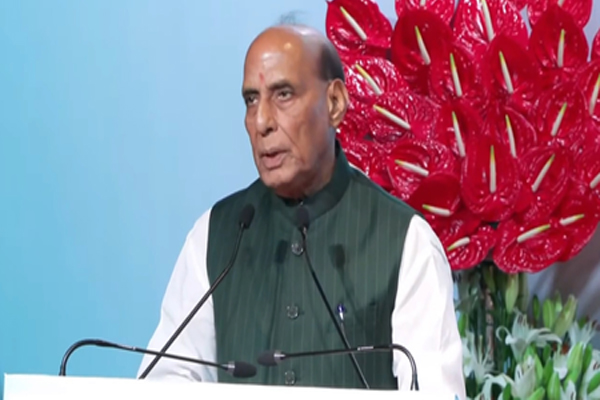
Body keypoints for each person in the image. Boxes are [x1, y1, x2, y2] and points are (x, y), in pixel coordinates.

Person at [138, 23, 465, 398]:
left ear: (335, 103)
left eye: (283, 95)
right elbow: (166, 381)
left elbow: (435, 390)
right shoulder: (215, 236)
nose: (262, 122)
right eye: (251, 100)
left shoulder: (406, 240)